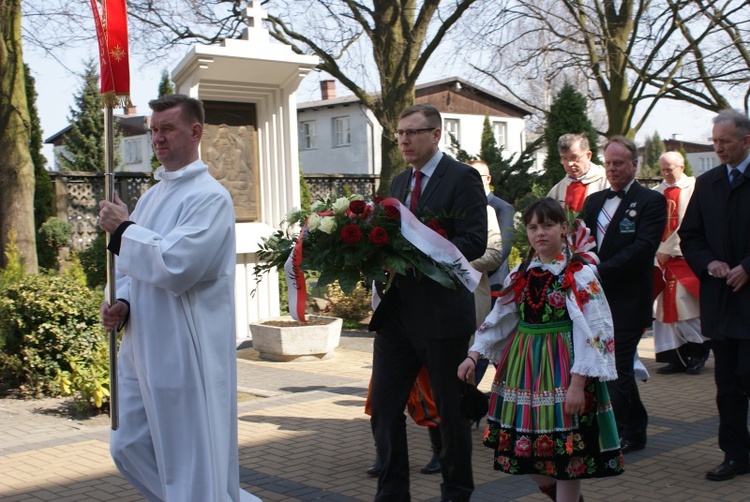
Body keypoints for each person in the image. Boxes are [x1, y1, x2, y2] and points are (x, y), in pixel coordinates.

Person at [98, 94, 257, 502]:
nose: (158, 138)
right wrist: (123, 303)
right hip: (142, 344)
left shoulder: (210, 197)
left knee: (189, 460)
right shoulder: (152, 197)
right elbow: (134, 270)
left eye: (167, 128)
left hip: (185, 349)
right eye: (153, 130)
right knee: (128, 445)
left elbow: (177, 265)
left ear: (195, 131)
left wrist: (122, 231)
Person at [458, 197, 623, 502]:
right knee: (526, 452)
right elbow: (500, 318)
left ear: (564, 229)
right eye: (533, 227)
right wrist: (474, 354)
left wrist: (577, 384)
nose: (540, 233)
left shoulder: (578, 274)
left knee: (568, 452)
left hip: (566, 368)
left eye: (548, 225)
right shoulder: (521, 274)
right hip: (526, 369)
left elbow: (594, 330)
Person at [368, 103, 487, 502]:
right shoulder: (400, 181)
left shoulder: (463, 178)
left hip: (441, 316)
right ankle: (392, 493)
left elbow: (475, 241)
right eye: (400, 133)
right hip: (398, 314)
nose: (403, 139)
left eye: (412, 132)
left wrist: (425, 253)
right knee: (384, 408)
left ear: (435, 134)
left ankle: (456, 491)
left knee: (449, 413)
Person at [581, 136, 667, 454]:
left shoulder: (651, 202)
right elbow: (583, 242)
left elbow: (642, 249)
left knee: (616, 366)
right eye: (609, 164)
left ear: (634, 164)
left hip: (629, 300)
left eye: (619, 163)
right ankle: (637, 426)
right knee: (616, 369)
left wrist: (598, 271)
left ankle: (613, 437)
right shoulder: (595, 201)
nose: (613, 169)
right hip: (595, 299)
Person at [679, 109, 750, 482]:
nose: (718, 148)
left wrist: (747, 266)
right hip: (721, 302)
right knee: (727, 386)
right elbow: (690, 236)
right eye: (715, 142)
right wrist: (710, 265)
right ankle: (735, 455)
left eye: (725, 141)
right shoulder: (706, 184)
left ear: (746, 141)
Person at [652, 151, 710, 375]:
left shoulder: (694, 188)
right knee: (662, 312)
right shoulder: (656, 193)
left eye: (670, 169)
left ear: (682, 167)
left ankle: (698, 352)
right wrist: (657, 251)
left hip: (684, 258)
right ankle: (676, 357)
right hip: (660, 259)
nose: (666, 173)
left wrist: (667, 249)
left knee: (686, 308)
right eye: (663, 169)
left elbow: (689, 224)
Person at [467, 160, 515, 385]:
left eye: (479, 176)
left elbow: (503, 248)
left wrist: (465, 265)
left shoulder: (500, 207)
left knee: (489, 341)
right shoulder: (461, 206)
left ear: (488, 179)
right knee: (481, 345)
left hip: (492, 284)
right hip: (467, 287)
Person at [548, 133, 609, 213]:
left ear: (588, 155)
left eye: (574, 157)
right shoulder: (558, 189)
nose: (569, 164)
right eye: (564, 159)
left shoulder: (606, 182)